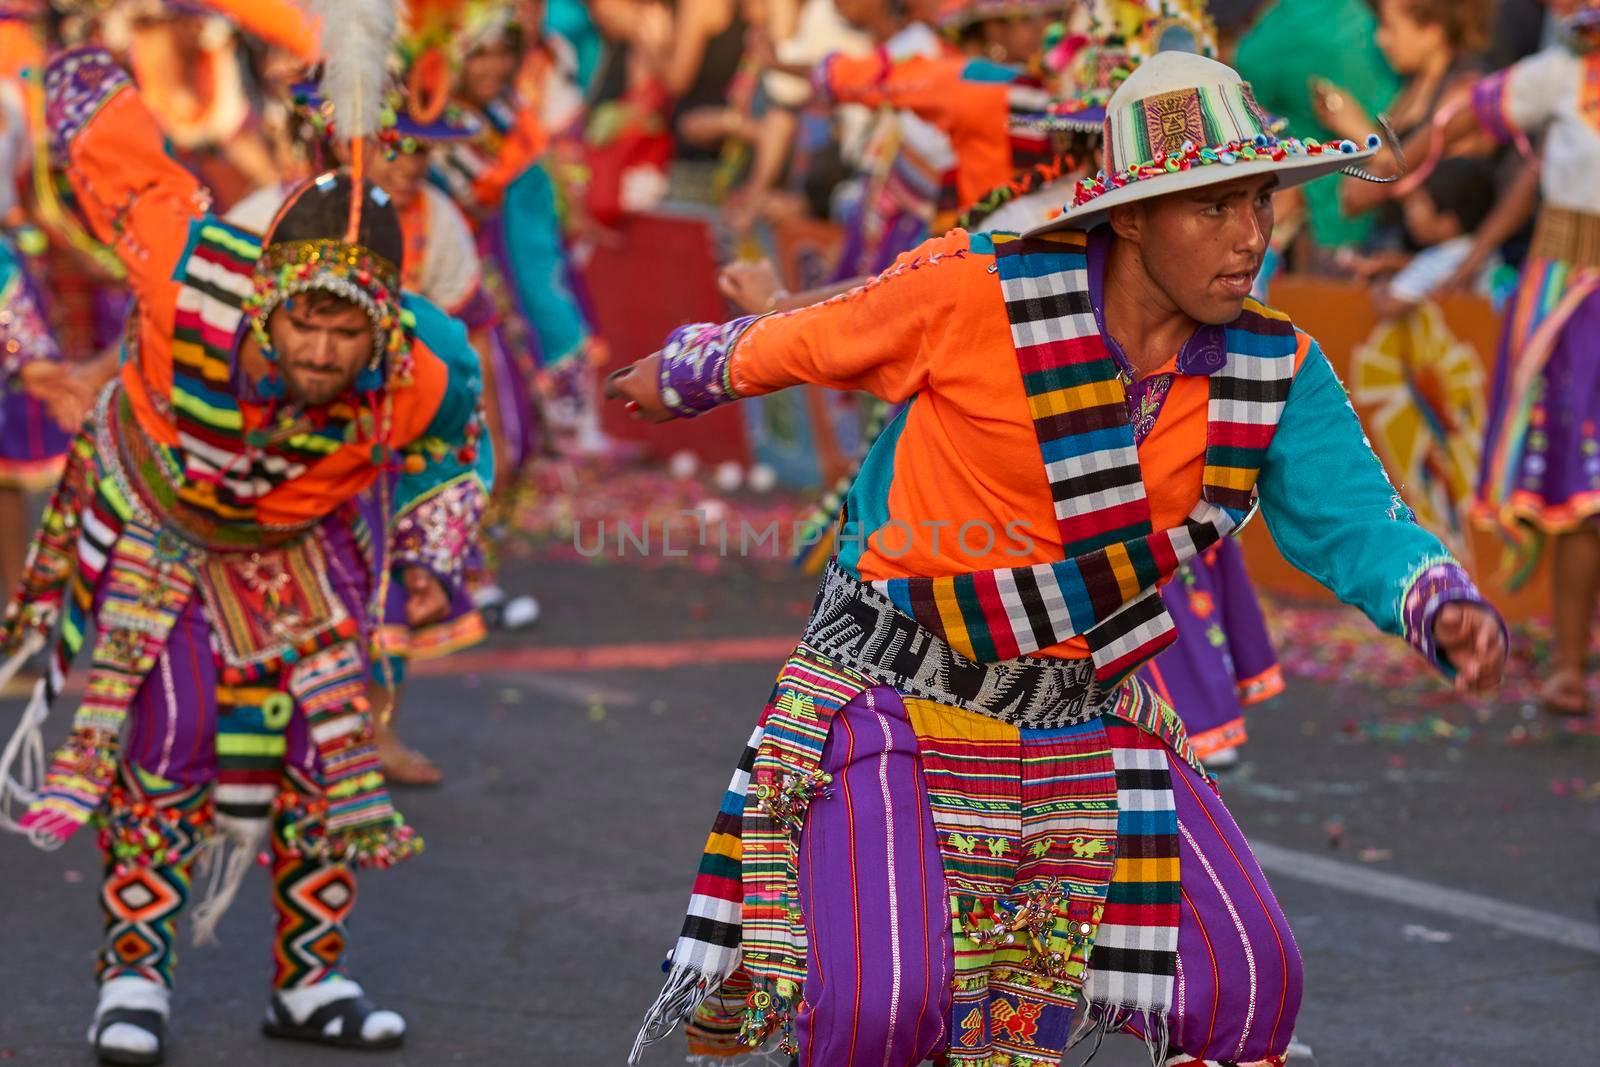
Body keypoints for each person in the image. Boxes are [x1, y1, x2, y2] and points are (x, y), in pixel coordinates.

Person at [610, 51, 1506, 1067]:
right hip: (896, 695)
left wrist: (1436, 600)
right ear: (1129, 215)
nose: (1251, 235)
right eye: (1212, 207)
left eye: (1258, 202)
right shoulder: (978, 295)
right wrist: (687, 372)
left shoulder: (1273, 368)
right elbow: (815, 337)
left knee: (1251, 980)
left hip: (1085, 703)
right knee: (876, 1013)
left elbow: (1357, 520)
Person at [0, 40, 491, 1065]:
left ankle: (311, 980)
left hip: (312, 544)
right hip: (167, 529)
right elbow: (119, 153)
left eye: (344, 337)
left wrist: (438, 545)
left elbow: (454, 446)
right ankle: (133, 976)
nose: (319, 353)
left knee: (328, 760)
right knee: (167, 745)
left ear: (384, 330)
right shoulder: (183, 270)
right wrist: (80, 61)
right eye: (302, 325)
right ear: (263, 297)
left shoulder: (429, 366)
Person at [1421, 0, 1600, 713]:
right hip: (1571, 308)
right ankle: (1567, 663)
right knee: (1582, 493)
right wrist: (1398, 164)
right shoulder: (1559, 77)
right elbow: (1460, 127)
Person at [1369, 156, 1499, 319]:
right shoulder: (1484, 252)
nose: (1409, 210)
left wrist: (1380, 282)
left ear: (1447, 224)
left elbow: (1389, 307)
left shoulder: (1432, 261)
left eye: (1418, 203)